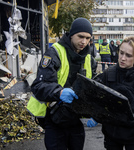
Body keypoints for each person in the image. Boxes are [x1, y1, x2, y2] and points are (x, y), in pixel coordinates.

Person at [30, 18, 97, 150]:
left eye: (88, 38)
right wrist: (59, 92)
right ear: (72, 34)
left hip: (76, 119)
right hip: (54, 118)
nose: (84, 42)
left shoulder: (89, 59)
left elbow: (94, 88)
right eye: (80, 36)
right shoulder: (54, 53)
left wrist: (96, 113)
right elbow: (39, 86)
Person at [87, 36, 134, 150]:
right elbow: (95, 96)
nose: (122, 58)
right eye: (121, 53)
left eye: (128, 55)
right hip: (112, 135)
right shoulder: (108, 74)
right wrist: (95, 114)